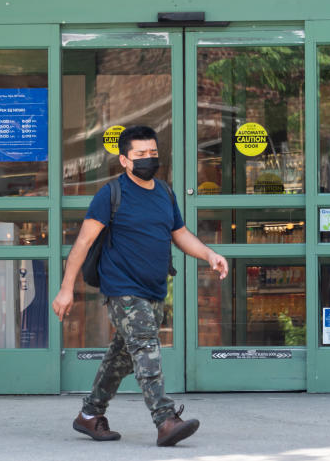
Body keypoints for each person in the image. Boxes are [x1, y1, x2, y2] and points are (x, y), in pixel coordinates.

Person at [52, 125, 229, 447]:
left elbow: (180, 234)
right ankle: (165, 419)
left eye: (153, 153)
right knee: (146, 347)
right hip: (122, 288)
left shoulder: (164, 192)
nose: (148, 159)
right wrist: (66, 288)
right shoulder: (111, 193)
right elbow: (83, 242)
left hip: (154, 289)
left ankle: (90, 414)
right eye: (140, 155)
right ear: (124, 160)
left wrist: (209, 254)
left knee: (121, 358)